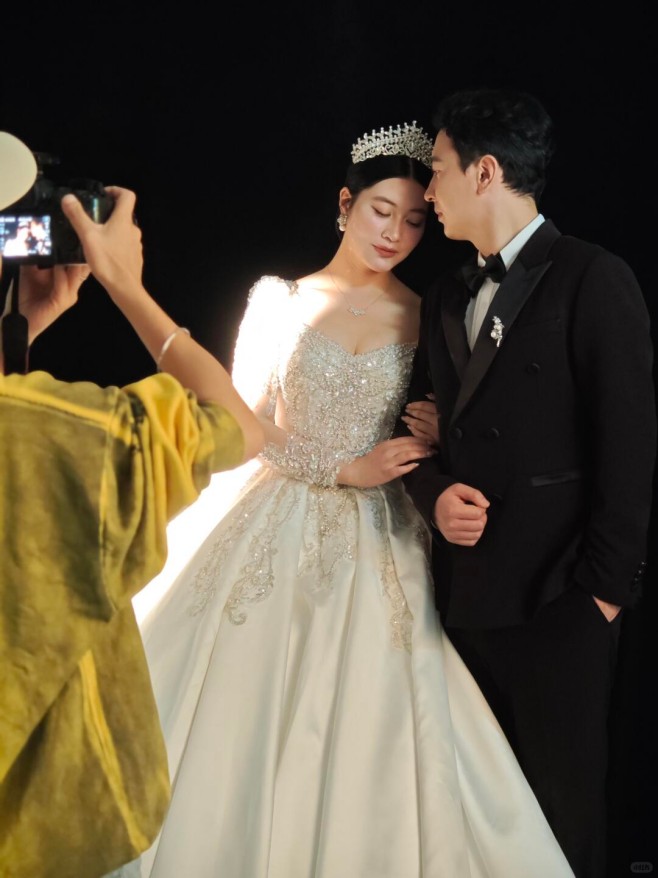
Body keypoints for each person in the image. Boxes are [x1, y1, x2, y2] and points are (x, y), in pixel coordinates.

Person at [111, 121, 575, 878]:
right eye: (381, 211)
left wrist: (434, 431)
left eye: (415, 221)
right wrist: (342, 469)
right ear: (344, 204)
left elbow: (460, 420)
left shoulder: (434, 313)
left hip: (383, 533)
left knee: (384, 717)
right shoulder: (279, 299)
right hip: (273, 514)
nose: (395, 233)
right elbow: (242, 426)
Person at [400, 88, 656, 878]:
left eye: (438, 170)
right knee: (482, 828)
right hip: (465, 603)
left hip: (559, 602)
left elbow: (630, 447)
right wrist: (433, 495)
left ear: (484, 173)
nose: (427, 191)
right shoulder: (444, 295)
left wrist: (601, 596)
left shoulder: (592, 276)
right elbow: (412, 428)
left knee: (562, 827)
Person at [0, 130, 264, 878]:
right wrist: (126, 286)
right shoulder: (56, 431)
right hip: (41, 824)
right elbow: (238, 428)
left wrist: (28, 326)